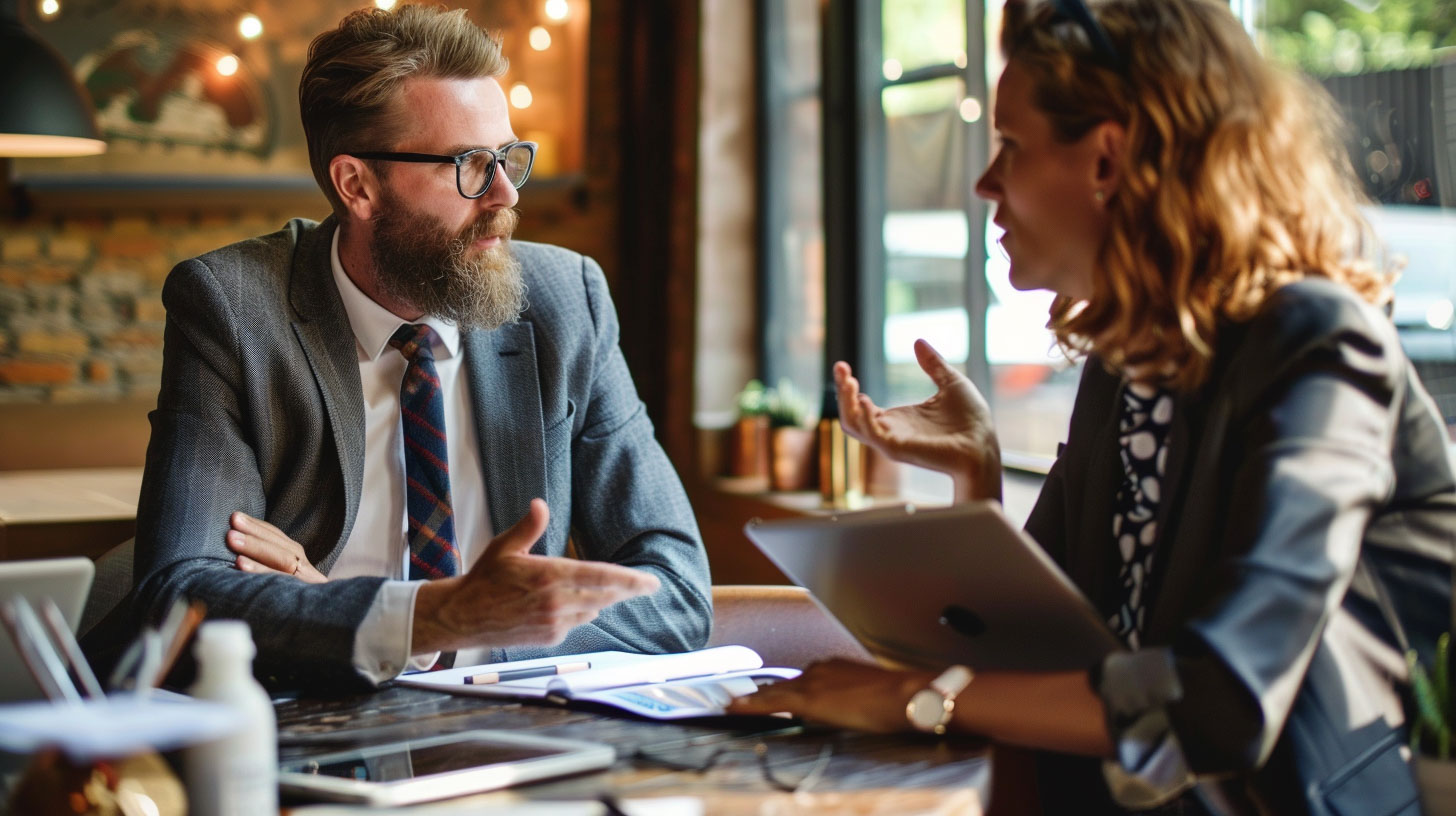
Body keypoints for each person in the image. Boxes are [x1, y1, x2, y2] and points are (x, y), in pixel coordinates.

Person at [729, 0, 1456, 812]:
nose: (984, 182)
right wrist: (979, 473)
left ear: (1108, 159)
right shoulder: (1130, 360)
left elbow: (1224, 700)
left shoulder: (1320, 344)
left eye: (1009, 146)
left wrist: (909, 697)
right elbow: (1035, 650)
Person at [91, 5, 711, 692]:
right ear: (357, 184)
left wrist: (443, 634)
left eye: (508, 157)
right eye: (470, 166)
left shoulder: (567, 300)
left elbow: (677, 593)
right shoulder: (234, 308)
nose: (504, 194)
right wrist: (421, 620)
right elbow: (180, 594)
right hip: (309, 739)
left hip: (506, 738)